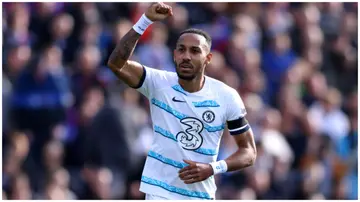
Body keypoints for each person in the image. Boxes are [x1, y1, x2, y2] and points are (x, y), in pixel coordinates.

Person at [107, 2, 257, 200]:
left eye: (195, 51)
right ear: (174, 54)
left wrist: (213, 168)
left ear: (208, 58)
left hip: (199, 195)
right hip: (159, 192)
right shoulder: (158, 82)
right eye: (181, 50)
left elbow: (248, 152)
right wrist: (145, 21)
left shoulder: (226, 96)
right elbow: (116, 64)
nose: (186, 56)